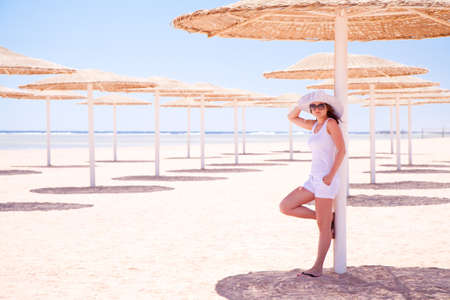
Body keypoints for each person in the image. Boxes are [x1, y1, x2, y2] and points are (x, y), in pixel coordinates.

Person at [279, 90, 346, 278]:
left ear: (327, 108)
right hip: (312, 179)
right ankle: (328, 218)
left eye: (321, 105)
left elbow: (342, 150)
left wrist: (331, 175)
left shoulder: (331, 123)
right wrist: (303, 103)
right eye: (313, 106)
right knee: (285, 206)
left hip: (326, 180)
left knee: (322, 228)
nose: (317, 109)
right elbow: (290, 116)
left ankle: (317, 267)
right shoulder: (314, 125)